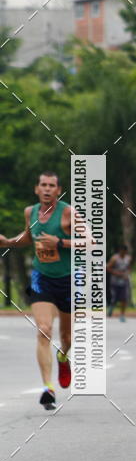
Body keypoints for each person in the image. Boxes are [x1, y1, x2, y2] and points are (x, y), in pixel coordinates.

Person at [0, 171, 73, 410]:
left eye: (52, 185)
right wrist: (8, 242)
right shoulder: (30, 212)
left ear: (58, 190)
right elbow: (28, 237)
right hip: (42, 277)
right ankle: (48, 389)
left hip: (67, 280)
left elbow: (91, 241)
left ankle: (63, 356)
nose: (47, 189)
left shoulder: (68, 213)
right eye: (43, 185)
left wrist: (60, 242)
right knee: (43, 329)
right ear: (37, 189)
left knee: (67, 338)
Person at [107, 244, 132, 322]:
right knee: (114, 298)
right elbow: (108, 268)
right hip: (115, 282)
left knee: (124, 298)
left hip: (124, 281)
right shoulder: (114, 258)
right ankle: (111, 309)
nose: (123, 253)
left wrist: (127, 273)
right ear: (120, 251)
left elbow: (129, 268)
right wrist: (117, 273)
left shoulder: (128, 258)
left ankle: (122, 315)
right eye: (122, 251)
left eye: (125, 252)